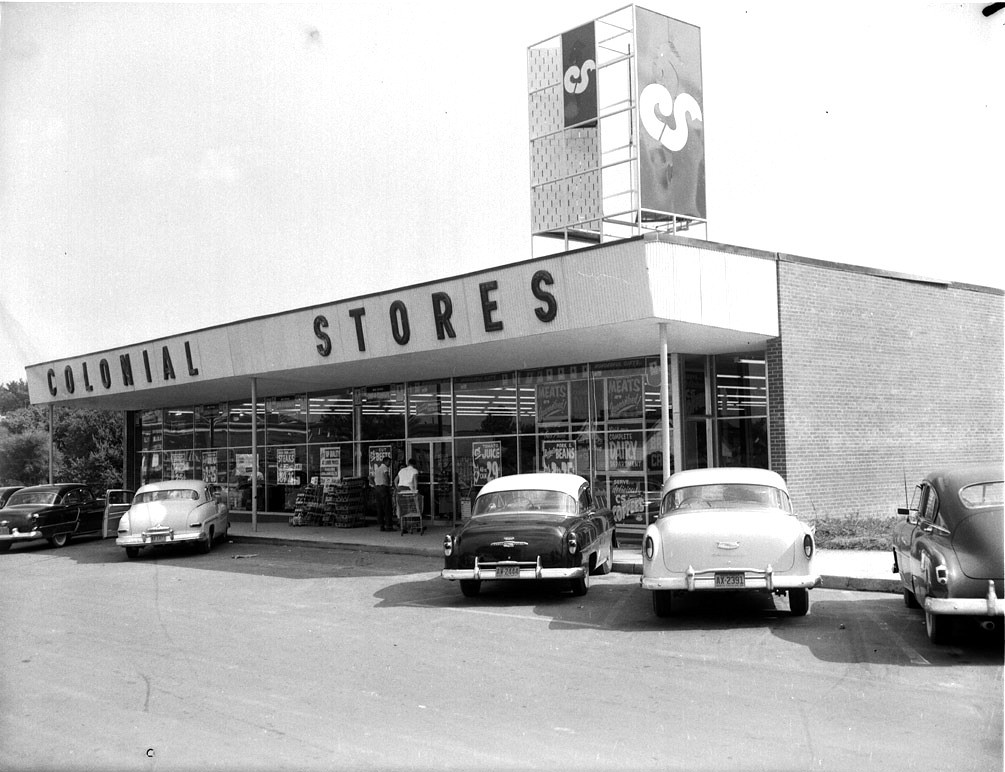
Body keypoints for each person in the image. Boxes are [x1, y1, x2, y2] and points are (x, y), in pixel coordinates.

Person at [371, 457, 393, 531]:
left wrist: (374, 485)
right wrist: (389, 484)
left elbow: (370, 477)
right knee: (387, 507)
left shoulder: (377, 469)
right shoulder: (385, 468)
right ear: (386, 462)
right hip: (384, 488)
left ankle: (381, 525)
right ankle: (389, 525)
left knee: (379, 507)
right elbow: (387, 476)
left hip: (377, 489)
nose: (390, 464)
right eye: (389, 462)